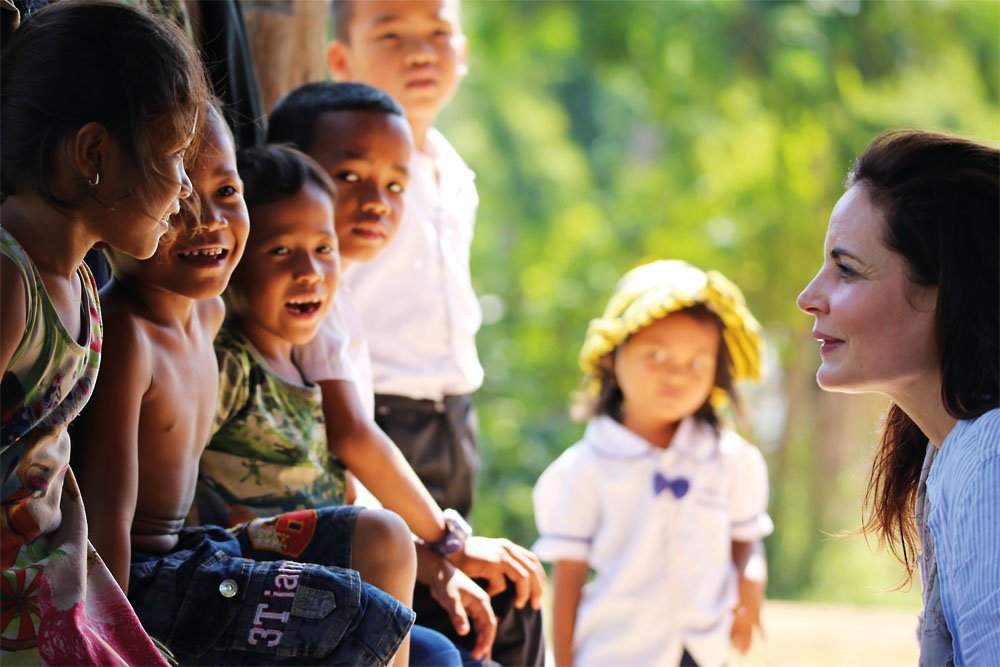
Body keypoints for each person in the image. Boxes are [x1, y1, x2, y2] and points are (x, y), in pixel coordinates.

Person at [74, 108, 415, 666]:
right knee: (344, 610)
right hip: (148, 583)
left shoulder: (207, 314)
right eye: (178, 198)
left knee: (383, 537)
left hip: (200, 555)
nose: (206, 218)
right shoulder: (130, 336)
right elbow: (104, 522)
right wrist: (111, 644)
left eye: (226, 190)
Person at [260, 81, 550, 664]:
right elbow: (352, 437)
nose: (378, 201)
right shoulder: (308, 304)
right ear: (290, 173)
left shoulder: (332, 299)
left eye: (396, 184)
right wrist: (448, 541)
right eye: (349, 177)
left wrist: (435, 560)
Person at [327, 4, 547, 663]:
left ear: (465, 51)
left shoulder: (454, 169)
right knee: (406, 601)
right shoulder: (338, 182)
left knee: (493, 602)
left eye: (438, 35)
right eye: (391, 34)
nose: (420, 53)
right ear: (341, 60)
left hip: (451, 418)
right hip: (377, 420)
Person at [0, 2, 209, 663]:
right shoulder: (10, 280)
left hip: (53, 581)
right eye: (174, 155)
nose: (185, 190)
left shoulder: (83, 282)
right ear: (93, 152)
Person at [797, 130, 1000, 665]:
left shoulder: (990, 458)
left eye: (845, 270)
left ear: (948, 289)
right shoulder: (951, 450)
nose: (809, 297)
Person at [533, 260, 773, 667]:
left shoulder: (729, 460)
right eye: (656, 355)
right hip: (614, 652)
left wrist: (751, 576)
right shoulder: (584, 468)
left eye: (697, 362)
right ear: (611, 355)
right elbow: (568, 577)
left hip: (701, 651)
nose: (677, 375)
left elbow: (745, 537)